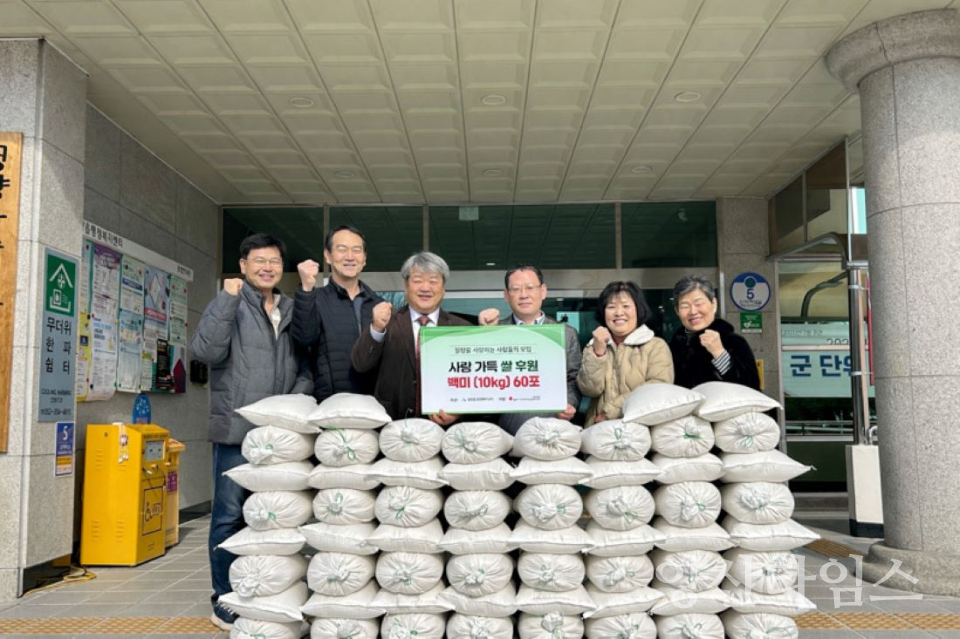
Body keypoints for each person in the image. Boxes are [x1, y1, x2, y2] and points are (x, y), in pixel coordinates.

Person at [190, 234, 312, 631]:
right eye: (258, 260)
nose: (267, 267)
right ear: (242, 265)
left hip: (280, 435)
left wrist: (292, 405)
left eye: (274, 261)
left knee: (276, 518)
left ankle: (265, 592)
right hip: (237, 430)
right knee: (228, 518)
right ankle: (224, 598)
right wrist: (225, 300)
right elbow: (205, 351)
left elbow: (308, 364)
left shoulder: (292, 309)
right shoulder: (229, 304)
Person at [351, 251, 469, 425]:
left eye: (433, 281)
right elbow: (360, 365)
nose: (425, 288)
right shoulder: (386, 321)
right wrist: (376, 328)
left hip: (443, 431)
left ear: (443, 288)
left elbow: (471, 385)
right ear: (406, 286)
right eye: (418, 280)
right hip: (392, 426)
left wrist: (458, 412)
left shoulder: (462, 329)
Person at [478, 265, 582, 434]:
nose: (524, 295)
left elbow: (573, 378)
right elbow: (482, 376)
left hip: (554, 425)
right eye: (516, 289)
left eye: (530, 288)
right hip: (506, 429)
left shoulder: (566, 333)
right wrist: (485, 333)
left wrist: (568, 403)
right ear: (506, 295)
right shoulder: (496, 330)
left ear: (543, 291)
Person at [291, 224, 381, 401]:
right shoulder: (314, 298)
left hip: (373, 405)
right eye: (342, 249)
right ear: (328, 256)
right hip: (329, 404)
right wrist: (306, 289)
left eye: (356, 250)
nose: (350, 256)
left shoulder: (378, 304)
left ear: (364, 258)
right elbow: (303, 338)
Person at [577, 281, 673, 426]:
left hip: (642, 431)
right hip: (598, 432)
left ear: (638, 310)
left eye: (626, 306)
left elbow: (658, 387)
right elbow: (589, 390)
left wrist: (611, 411)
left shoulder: (656, 346)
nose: (619, 313)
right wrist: (598, 353)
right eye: (611, 307)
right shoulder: (593, 346)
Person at [669, 274, 760, 390]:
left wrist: (719, 353)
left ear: (714, 304)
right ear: (677, 311)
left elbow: (751, 385)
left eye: (699, 303)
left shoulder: (733, 342)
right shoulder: (672, 348)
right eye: (685, 306)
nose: (693, 311)